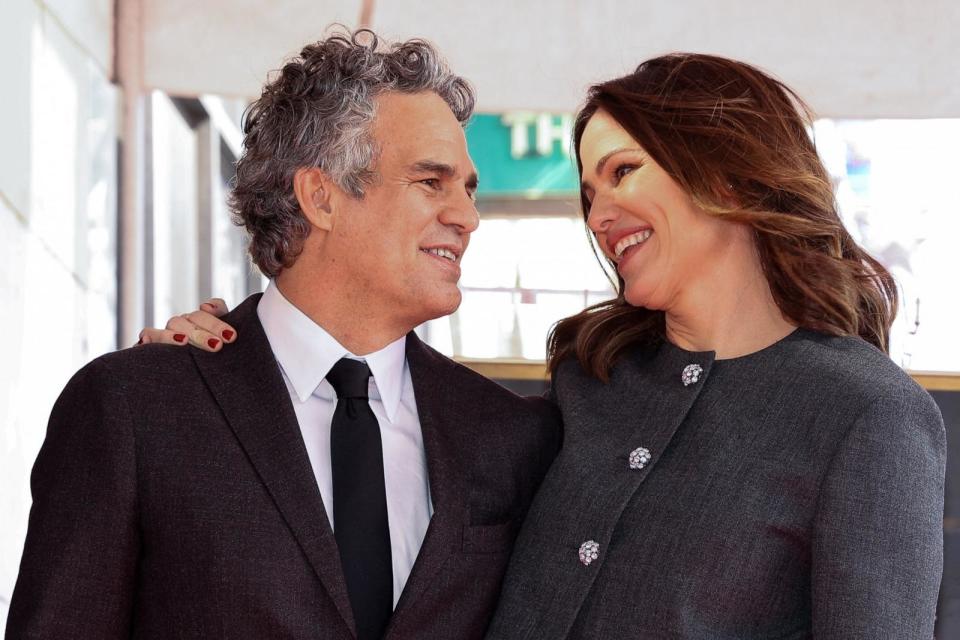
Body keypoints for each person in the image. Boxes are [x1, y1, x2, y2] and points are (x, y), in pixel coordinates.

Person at [163, 53, 946, 639]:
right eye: (588, 189)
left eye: (623, 170)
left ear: (732, 178)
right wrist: (232, 365)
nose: (599, 211)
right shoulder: (589, 381)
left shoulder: (864, 415)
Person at [6, 30, 560, 639]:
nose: (467, 217)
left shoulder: (513, 439)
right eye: (432, 182)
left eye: (469, 189)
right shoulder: (136, 409)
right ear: (321, 196)